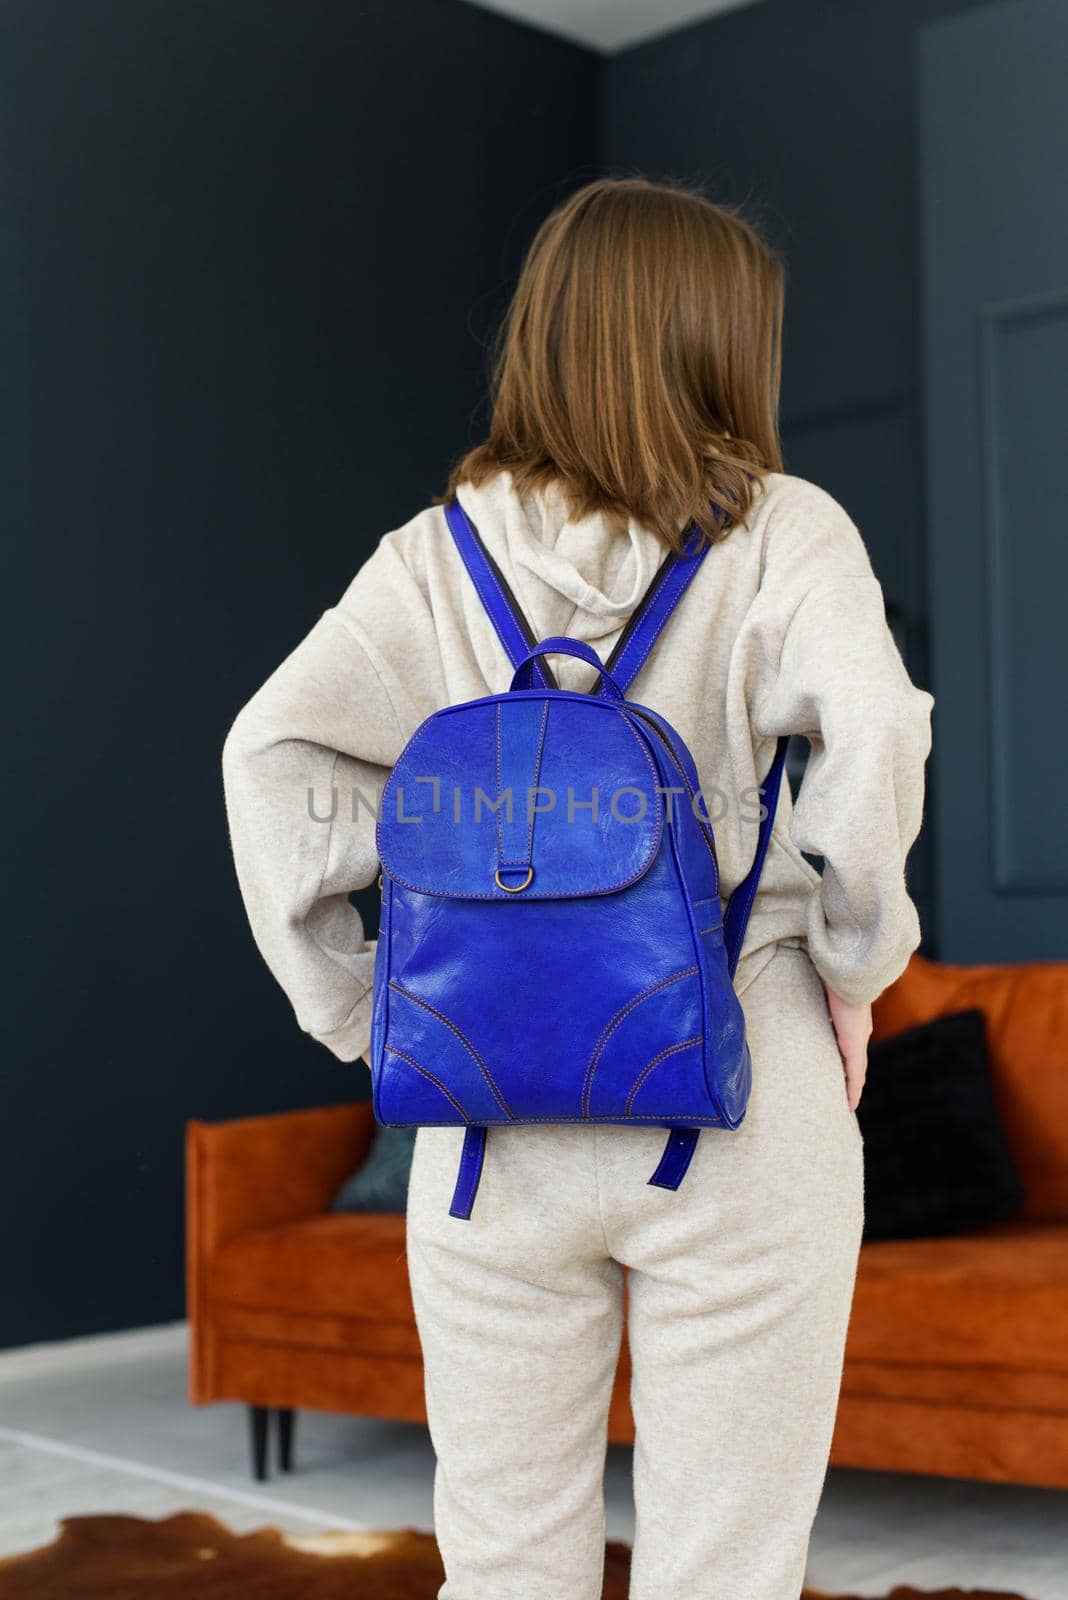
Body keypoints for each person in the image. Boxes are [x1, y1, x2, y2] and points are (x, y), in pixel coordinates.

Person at [222, 176, 934, 1600]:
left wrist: (365, 1012)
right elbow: (880, 731)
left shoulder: (429, 564)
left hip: (487, 1119)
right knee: (722, 1570)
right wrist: (855, 965)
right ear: (722, 344)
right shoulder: (787, 532)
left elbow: (268, 754)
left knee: (501, 1567)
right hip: (744, 1092)